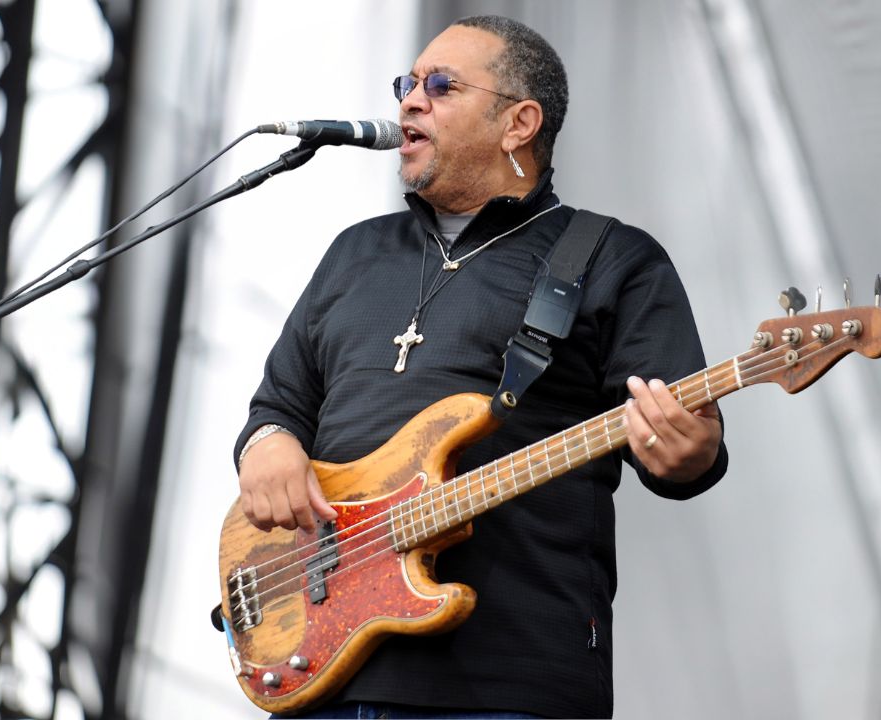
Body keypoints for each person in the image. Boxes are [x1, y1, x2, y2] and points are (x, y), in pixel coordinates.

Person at [234, 15, 727, 719]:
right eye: (406, 83)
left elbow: (684, 445)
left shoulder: (613, 258)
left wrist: (693, 451)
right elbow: (278, 406)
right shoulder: (355, 252)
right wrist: (268, 447)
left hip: (508, 676)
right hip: (324, 669)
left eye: (440, 85)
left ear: (519, 122)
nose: (409, 100)